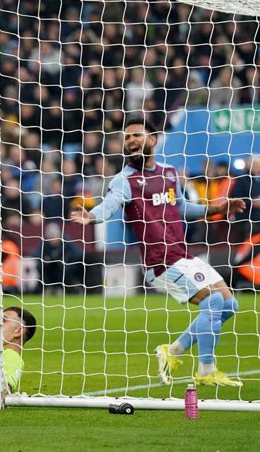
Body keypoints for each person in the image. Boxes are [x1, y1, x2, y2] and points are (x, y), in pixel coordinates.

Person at [71, 115, 246, 387]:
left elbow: (182, 209)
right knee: (212, 302)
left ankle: (172, 351)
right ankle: (205, 369)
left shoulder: (169, 174)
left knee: (229, 304)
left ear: (152, 140)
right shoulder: (124, 180)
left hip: (183, 255)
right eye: (127, 137)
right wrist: (91, 216)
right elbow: (109, 205)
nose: (131, 141)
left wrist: (218, 208)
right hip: (160, 262)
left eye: (137, 135)